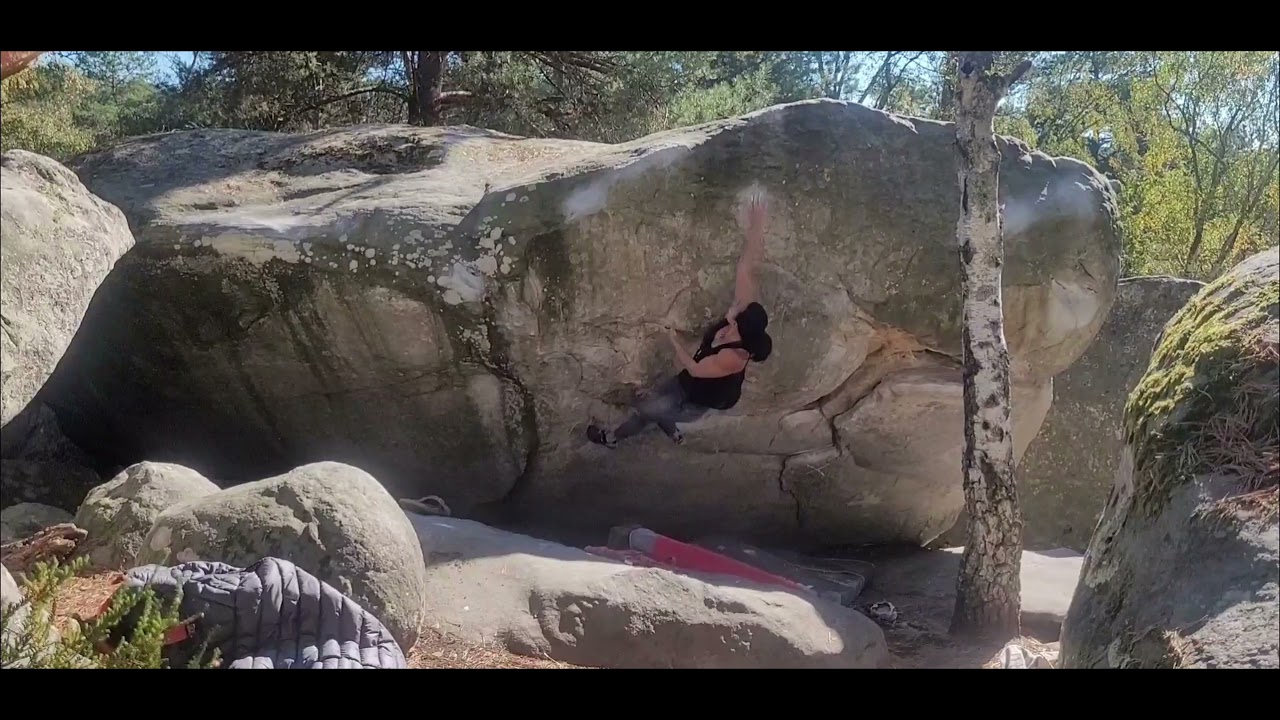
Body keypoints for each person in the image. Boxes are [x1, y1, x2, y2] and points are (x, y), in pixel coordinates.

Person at [587, 192, 773, 449]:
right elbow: (746, 267)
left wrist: (673, 339)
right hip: (687, 381)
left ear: (743, 331)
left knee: (646, 411)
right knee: (659, 403)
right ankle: (672, 430)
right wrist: (757, 225)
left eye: (735, 318)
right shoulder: (744, 315)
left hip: (699, 398)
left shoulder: (733, 358)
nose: (732, 312)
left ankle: (612, 439)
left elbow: (697, 369)